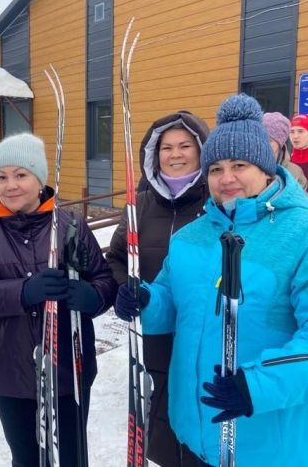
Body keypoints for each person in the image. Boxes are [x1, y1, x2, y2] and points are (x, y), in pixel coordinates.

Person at [115, 94, 308, 467]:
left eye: (240, 164)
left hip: (273, 443)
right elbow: (174, 303)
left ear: (266, 168)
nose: (226, 178)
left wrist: (258, 384)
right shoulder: (191, 236)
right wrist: (148, 302)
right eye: (215, 168)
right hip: (196, 434)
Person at [0, 132, 117, 467]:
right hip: (8, 368)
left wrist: (92, 297)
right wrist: (23, 292)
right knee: (27, 457)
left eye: (20, 175)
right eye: (1, 177)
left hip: (68, 366)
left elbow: (103, 280)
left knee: (71, 455)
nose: (10, 185)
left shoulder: (70, 224)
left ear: (39, 179)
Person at [107, 110, 210, 467]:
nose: (176, 154)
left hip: (204, 333)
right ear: (155, 153)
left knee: (203, 414)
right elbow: (116, 258)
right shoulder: (140, 204)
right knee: (160, 415)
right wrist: (127, 291)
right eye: (167, 147)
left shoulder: (217, 202)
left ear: (201, 150)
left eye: (185, 145)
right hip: (152, 332)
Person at [262, 111, 308, 191]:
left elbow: (303, 202)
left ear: (280, 143)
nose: (262, 144)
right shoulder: (247, 167)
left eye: (269, 140)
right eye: (259, 139)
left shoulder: (294, 172)